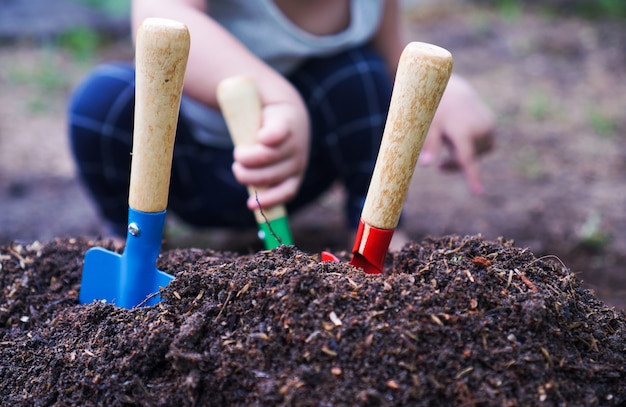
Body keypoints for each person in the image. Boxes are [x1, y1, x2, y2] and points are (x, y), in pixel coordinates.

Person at [68, 0, 495, 247]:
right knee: (103, 102)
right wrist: (276, 96)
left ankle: (372, 242)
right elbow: (161, 18)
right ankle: (130, 241)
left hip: (289, 173)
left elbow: (395, 59)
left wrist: (447, 93)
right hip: (177, 167)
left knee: (360, 75)